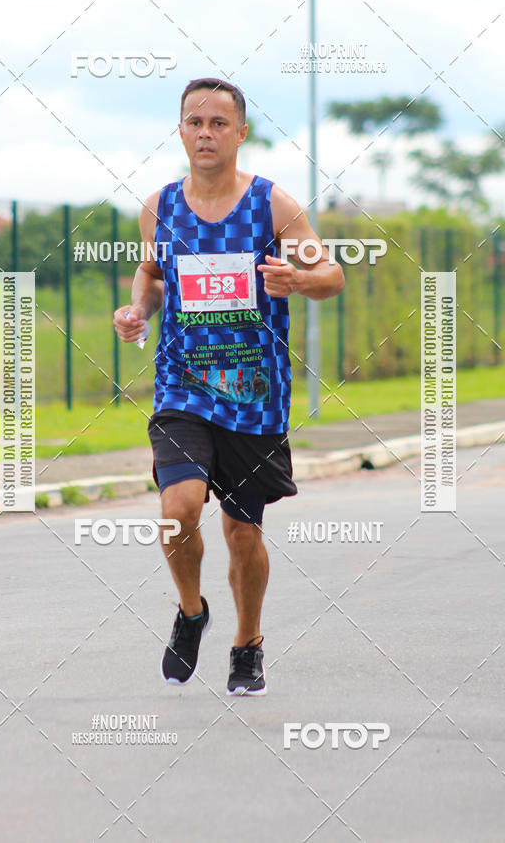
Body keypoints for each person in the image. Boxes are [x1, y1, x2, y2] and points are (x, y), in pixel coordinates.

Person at [113, 78, 344, 695]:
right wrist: (138, 309)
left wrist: (299, 281)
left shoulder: (272, 205)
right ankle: (191, 612)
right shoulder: (159, 206)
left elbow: (331, 272)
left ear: (241, 133)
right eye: (195, 122)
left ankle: (247, 643)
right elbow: (154, 272)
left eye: (219, 123)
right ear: (180, 130)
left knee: (243, 533)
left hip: (254, 394)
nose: (206, 133)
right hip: (183, 385)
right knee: (177, 509)